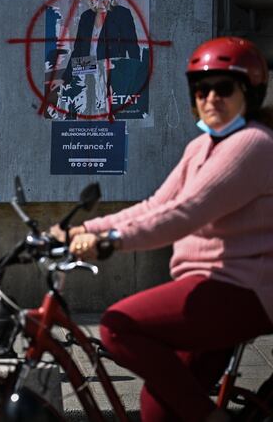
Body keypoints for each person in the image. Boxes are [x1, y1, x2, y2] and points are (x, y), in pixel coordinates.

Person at [63, 37, 273, 422]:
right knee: (159, 409)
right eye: (201, 89)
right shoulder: (203, 146)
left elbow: (186, 213)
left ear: (250, 93)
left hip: (242, 291)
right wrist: (80, 229)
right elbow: (157, 205)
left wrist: (111, 241)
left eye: (224, 88)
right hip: (210, 286)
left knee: (118, 326)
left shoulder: (252, 145)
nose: (210, 98)